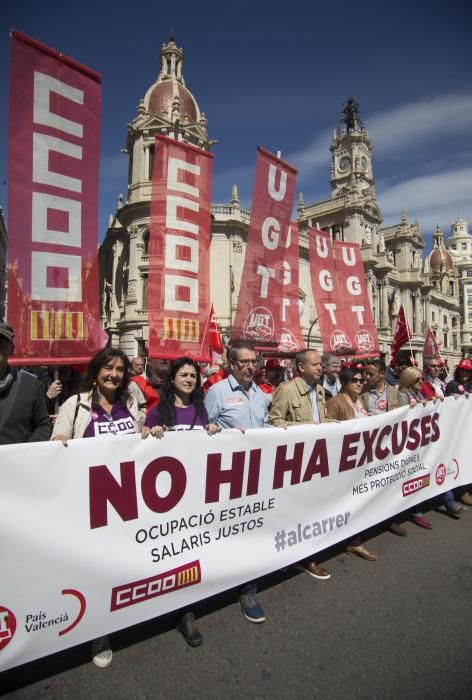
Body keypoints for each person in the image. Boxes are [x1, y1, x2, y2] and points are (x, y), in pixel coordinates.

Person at [52, 347, 145, 668]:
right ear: (96, 371)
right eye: (108, 368)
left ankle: (113, 618)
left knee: (118, 564)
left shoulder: (130, 405)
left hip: (126, 503)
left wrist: (149, 434)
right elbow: (58, 441)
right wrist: (60, 444)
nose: (114, 374)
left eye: (120, 369)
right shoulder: (74, 405)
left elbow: (141, 444)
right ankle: (97, 631)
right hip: (87, 505)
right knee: (92, 569)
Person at [142, 356, 220, 646]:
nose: (189, 379)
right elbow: (139, 448)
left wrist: (214, 432)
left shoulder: (200, 409)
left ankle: (185, 612)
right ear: (172, 378)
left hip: (195, 499)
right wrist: (150, 435)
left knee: (188, 556)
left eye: (193, 376)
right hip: (164, 502)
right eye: (184, 374)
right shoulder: (156, 412)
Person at [204, 340, 270, 623]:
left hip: (258, 474)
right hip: (228, 478)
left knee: (254, 529)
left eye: (253, 361)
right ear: (231, 365)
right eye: (243, 362)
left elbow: (265, 425)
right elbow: (201, 433)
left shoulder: (259, 393)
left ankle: (248, 584)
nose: (249, 367)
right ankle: (237, 587)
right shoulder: (217, 392)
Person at [268, 349, 331, 580]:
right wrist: (304, 429)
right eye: (315, 364)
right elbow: (274, 421)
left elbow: (322, 422)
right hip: (295, 462)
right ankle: (302, 557)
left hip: (316, 460)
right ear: (301, 367)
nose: (320, 368)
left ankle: (307, 553)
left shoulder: (320, 391)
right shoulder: (286, 390)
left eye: (320, 364)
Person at [398, 367, 466, 522]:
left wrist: (433, 402)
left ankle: (449, 501)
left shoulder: (419, 393)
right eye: (418, 379)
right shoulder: (403, 395)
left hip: (425, 438)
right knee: (415, 476)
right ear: (409, 380)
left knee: (436, 467)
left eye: (422, 378)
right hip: (412, 442)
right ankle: (416, 510)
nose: (421, 381)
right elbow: (405, 415)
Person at [326, 367, 377, 561]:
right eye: (354, 380)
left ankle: (353, 538)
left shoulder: (361, 400)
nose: (359, 383)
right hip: (344, 463)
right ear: (344, 383)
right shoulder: (336, 402)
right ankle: (350, 542)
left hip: (362, 460)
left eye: (362, 380)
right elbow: (329, 431)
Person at [361, 360, 406, 536]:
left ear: (381, 374)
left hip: (390, 448)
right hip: (369, 448)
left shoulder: (395, 393)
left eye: (370, 374)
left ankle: (389, 519)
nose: (366, 377)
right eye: (365, 373)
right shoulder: (362, 394)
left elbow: (407, 417)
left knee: (389, 484)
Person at [0, 322, 51, 445]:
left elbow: (43, 424)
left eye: (0, 344)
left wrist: (27, 452)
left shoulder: (30, 385)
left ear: (11, 349)